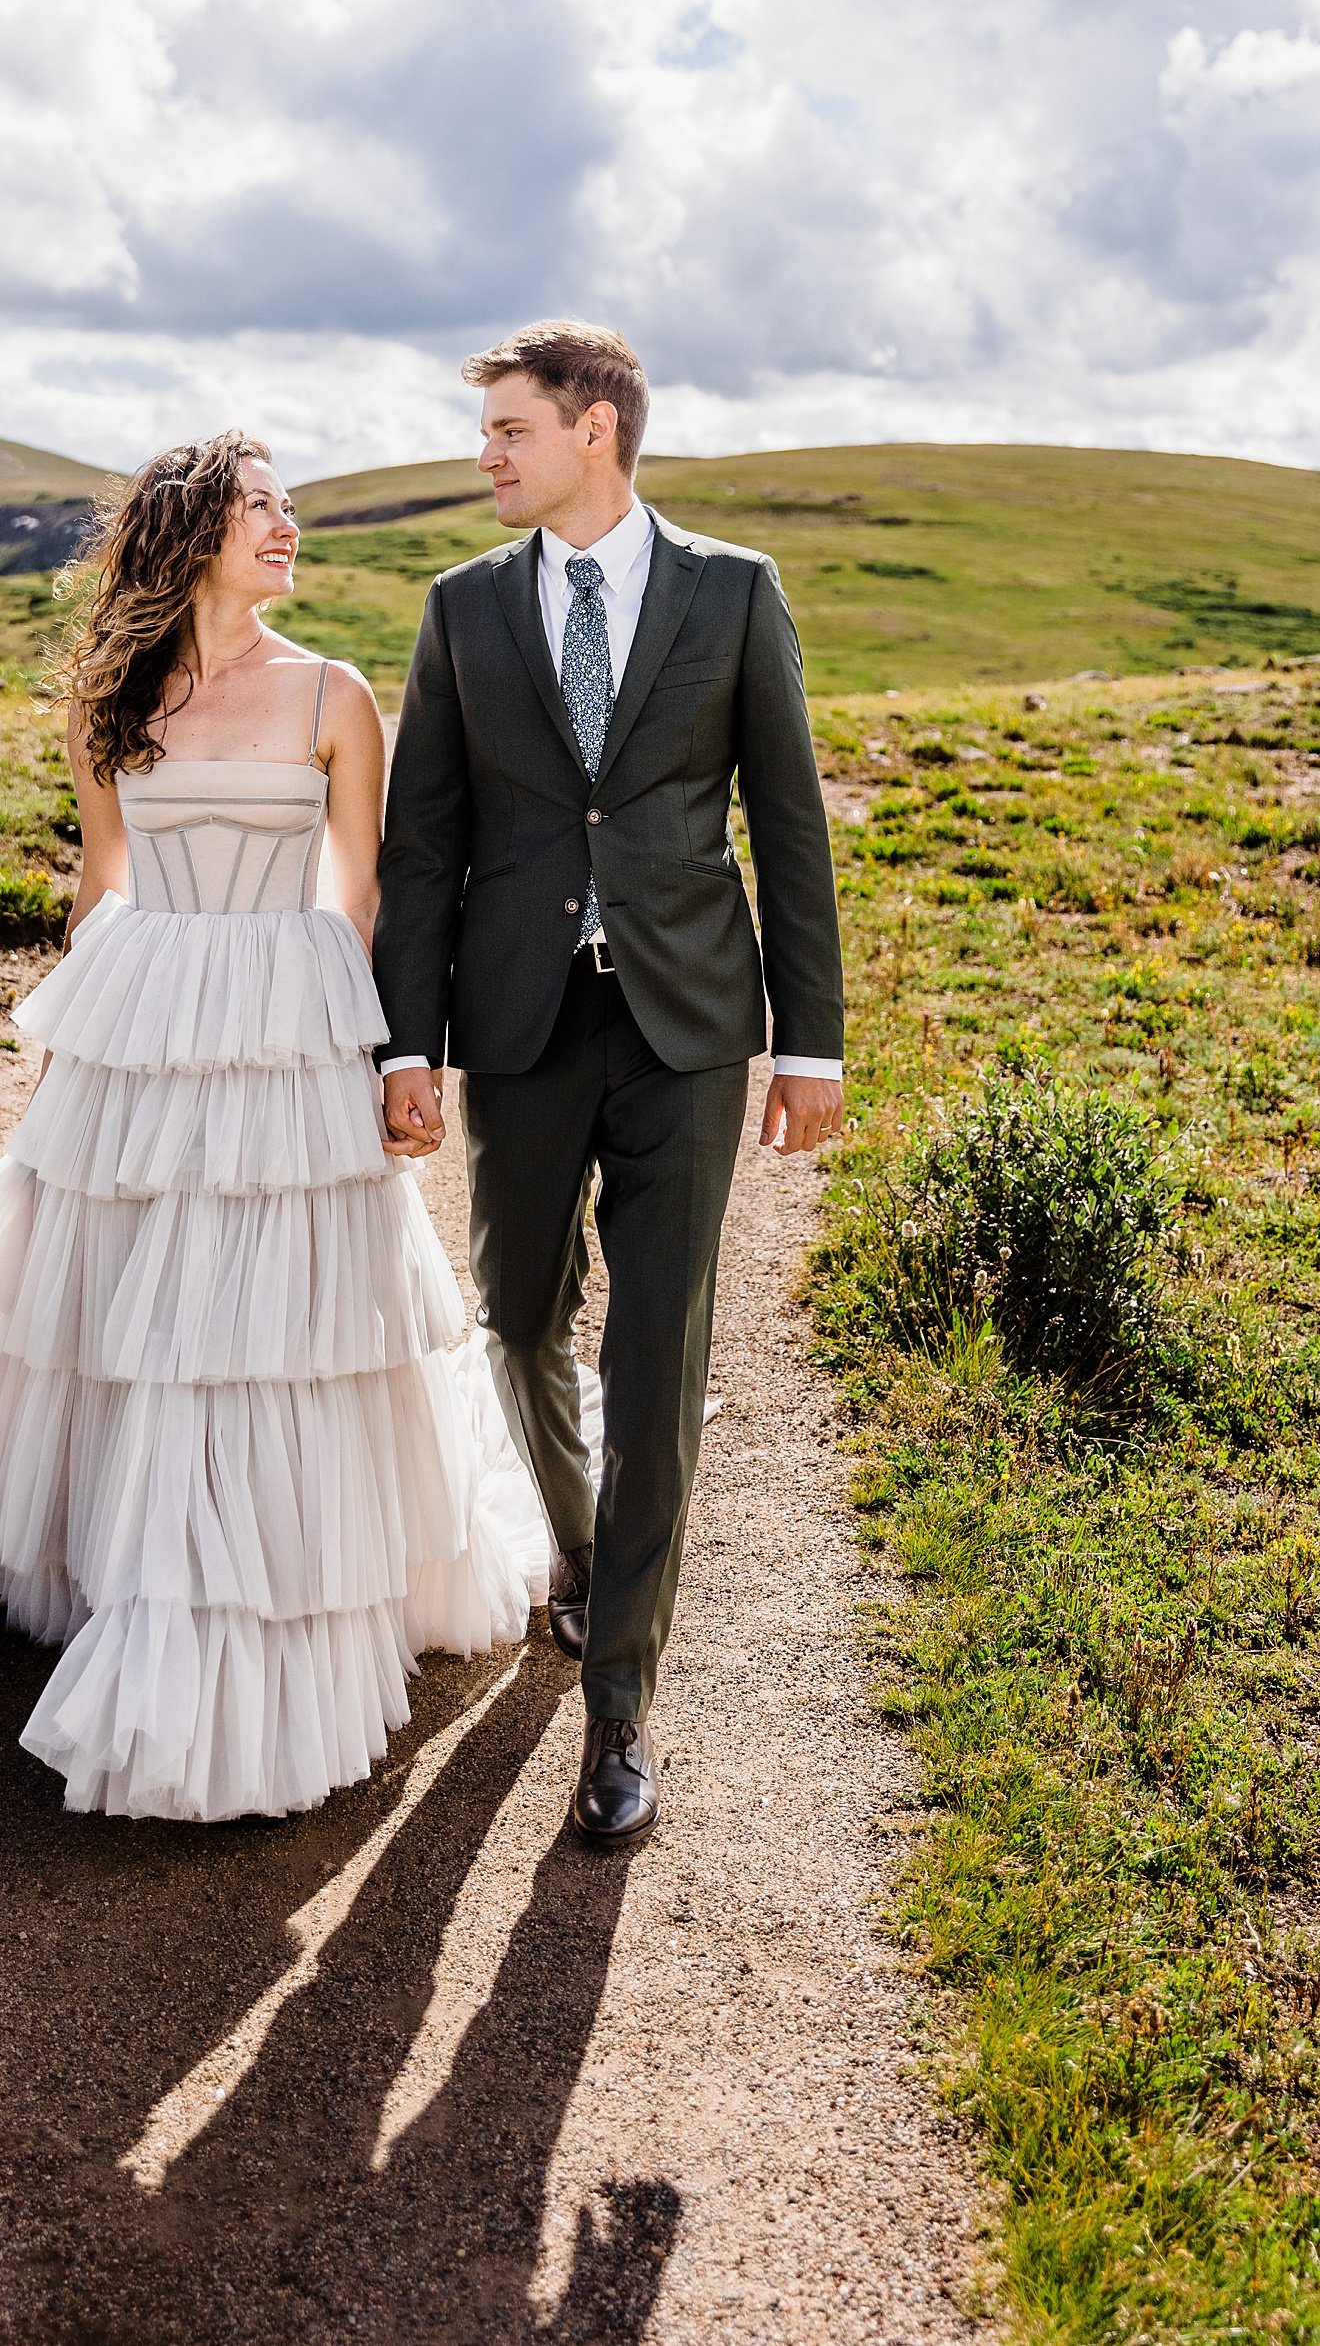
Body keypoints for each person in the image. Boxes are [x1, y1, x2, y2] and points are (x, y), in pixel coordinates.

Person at [0, 434, 549, 1824]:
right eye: (264, 506)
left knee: (276, 1325)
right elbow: (100, 881)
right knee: (137, 1305)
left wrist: (394, 1062)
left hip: (287, 1021)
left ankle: (253, 1603)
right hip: (154, 1014)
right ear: (193, 529)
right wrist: (79, 1066)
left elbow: (367, 896)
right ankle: (134, 1561)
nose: (288, 527)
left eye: (293, 510)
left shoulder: (333, 690)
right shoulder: (114, 699)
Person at [375, 320, 845, 1848]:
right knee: (518, 1316)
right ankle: (582, 1555)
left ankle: (622, 1707)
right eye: (485, 433)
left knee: (658, 1349)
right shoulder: (460, 609)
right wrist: (408, 1044)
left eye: (509, 429)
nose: (487, 457)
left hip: (691, 1026)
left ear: (595, 429)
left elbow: (788, 823)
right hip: (516, 1024)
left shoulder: (732, 591)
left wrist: (811, 1040)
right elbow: (422, 842)